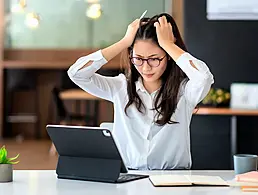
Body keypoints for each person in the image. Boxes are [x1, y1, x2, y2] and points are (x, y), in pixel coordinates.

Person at [67, 13, 214, 170]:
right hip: (128, 177)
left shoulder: (184, 91)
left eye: (154, 59)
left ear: (168, 56)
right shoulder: (120, 87)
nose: (145, 67)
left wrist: (169, 45)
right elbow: (77, 74)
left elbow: (204, 78)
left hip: (173, 179)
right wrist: (124, 42)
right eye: (138, 58)